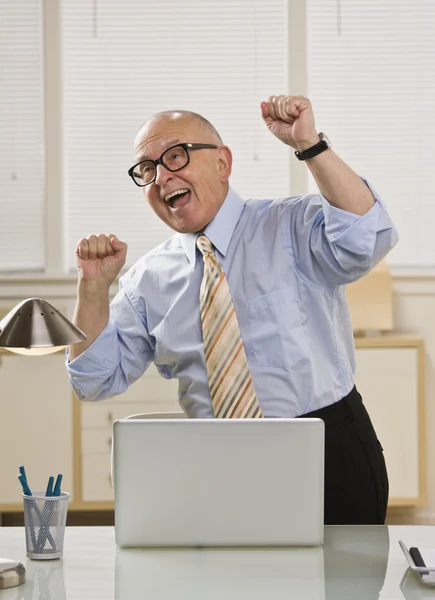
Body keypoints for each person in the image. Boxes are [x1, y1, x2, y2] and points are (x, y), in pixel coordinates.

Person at [67, 95, 398, 525]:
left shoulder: (290, 225)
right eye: (148, 170)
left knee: (343, 586)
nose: (162, 177)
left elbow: (368, 237)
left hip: (327, 449)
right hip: (216, 461)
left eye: (176, 156)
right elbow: (93, 380)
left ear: (222, 163)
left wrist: (310, 146)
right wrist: (92, 287)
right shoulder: (147, 280)